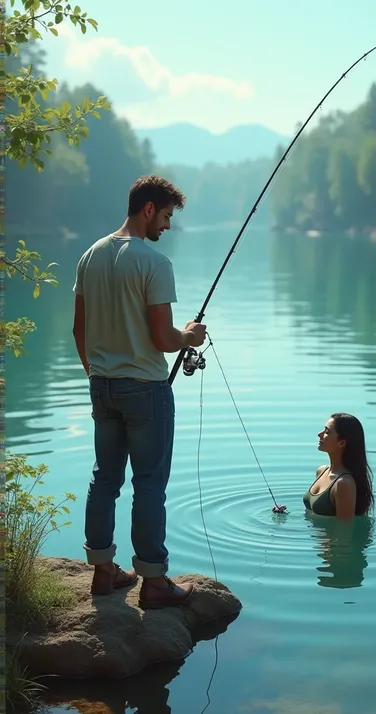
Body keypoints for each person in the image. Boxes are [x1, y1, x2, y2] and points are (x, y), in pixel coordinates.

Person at [72, 175, 207, 609]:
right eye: (166, 216)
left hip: (102, 386)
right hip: (145, 390)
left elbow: (79, 329)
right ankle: (153, 581)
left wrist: (98, 373)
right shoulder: (152, 262)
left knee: (104, 478)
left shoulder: (90, 255)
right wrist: (188, 336)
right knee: (149, 485)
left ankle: (103, 570)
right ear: (148, 209)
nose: (167, 225)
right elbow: (163, 338)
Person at [303, 413, 374, 520]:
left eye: (327, 432)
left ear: (341, 443)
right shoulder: (321, 471)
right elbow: (312, 514)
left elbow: (344, 531)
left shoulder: (344, 483)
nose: (320, 434)